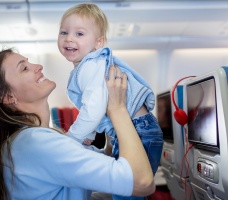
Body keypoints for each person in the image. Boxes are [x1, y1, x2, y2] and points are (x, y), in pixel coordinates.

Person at [0, 48, 155, 200]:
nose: (38, 66)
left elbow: (98, 169)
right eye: (25, 68)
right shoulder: (35, 142)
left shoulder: (24, 142)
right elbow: (142, 182)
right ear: (8, 96)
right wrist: (118, 109)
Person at [58, 4, 163, 199]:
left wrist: (72, 139)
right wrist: (89, 132)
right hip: (140, 129)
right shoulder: (91, 65)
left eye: (79, 34)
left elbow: (94, 108)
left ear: (99, 42)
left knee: (127, 192)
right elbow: (96, 104)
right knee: (125, 192)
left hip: (138, 131)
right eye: (64, 32)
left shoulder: (91, 65)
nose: (69, 38)